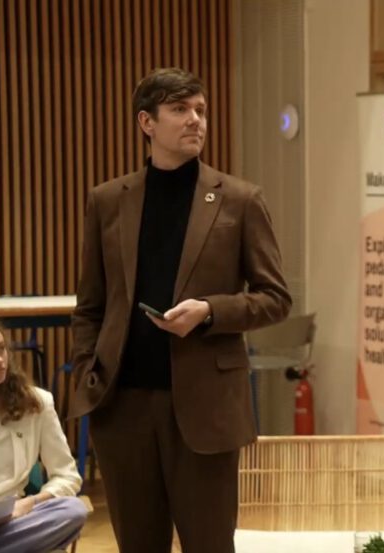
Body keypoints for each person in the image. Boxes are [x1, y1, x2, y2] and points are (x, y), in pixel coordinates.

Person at [69, 67, 291, 553]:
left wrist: (209, 311)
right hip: (123, 407)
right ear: (146, 122)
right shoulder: (107, 201)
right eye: (180, 109)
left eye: (200, 110)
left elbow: (275, 298)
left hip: (206, 408)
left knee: (210, 545)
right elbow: (90, 305)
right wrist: (89, 370)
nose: (195, 120)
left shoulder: (240, 199)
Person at [0, 316, 87, 553]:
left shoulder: (37, 404)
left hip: (12, 523)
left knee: (73, 510)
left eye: (1, 349)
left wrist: (30, 502)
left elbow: (68, 476)